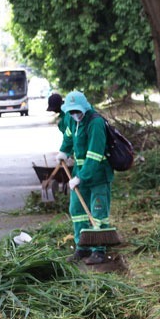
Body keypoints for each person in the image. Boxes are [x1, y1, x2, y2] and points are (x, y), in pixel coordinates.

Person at [57, 91, 114, 265]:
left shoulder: (95, 123)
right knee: (77, 211)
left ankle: (99, 250)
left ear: (85, 107)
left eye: (77, 111)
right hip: (79, 174)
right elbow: (68, 136)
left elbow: (95, 155)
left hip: (97, 175)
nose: (75, 115)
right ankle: (82, 246)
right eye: (72, 111)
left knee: (97, 213)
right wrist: (64, 152)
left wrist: (81, 177)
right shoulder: (70, 118)